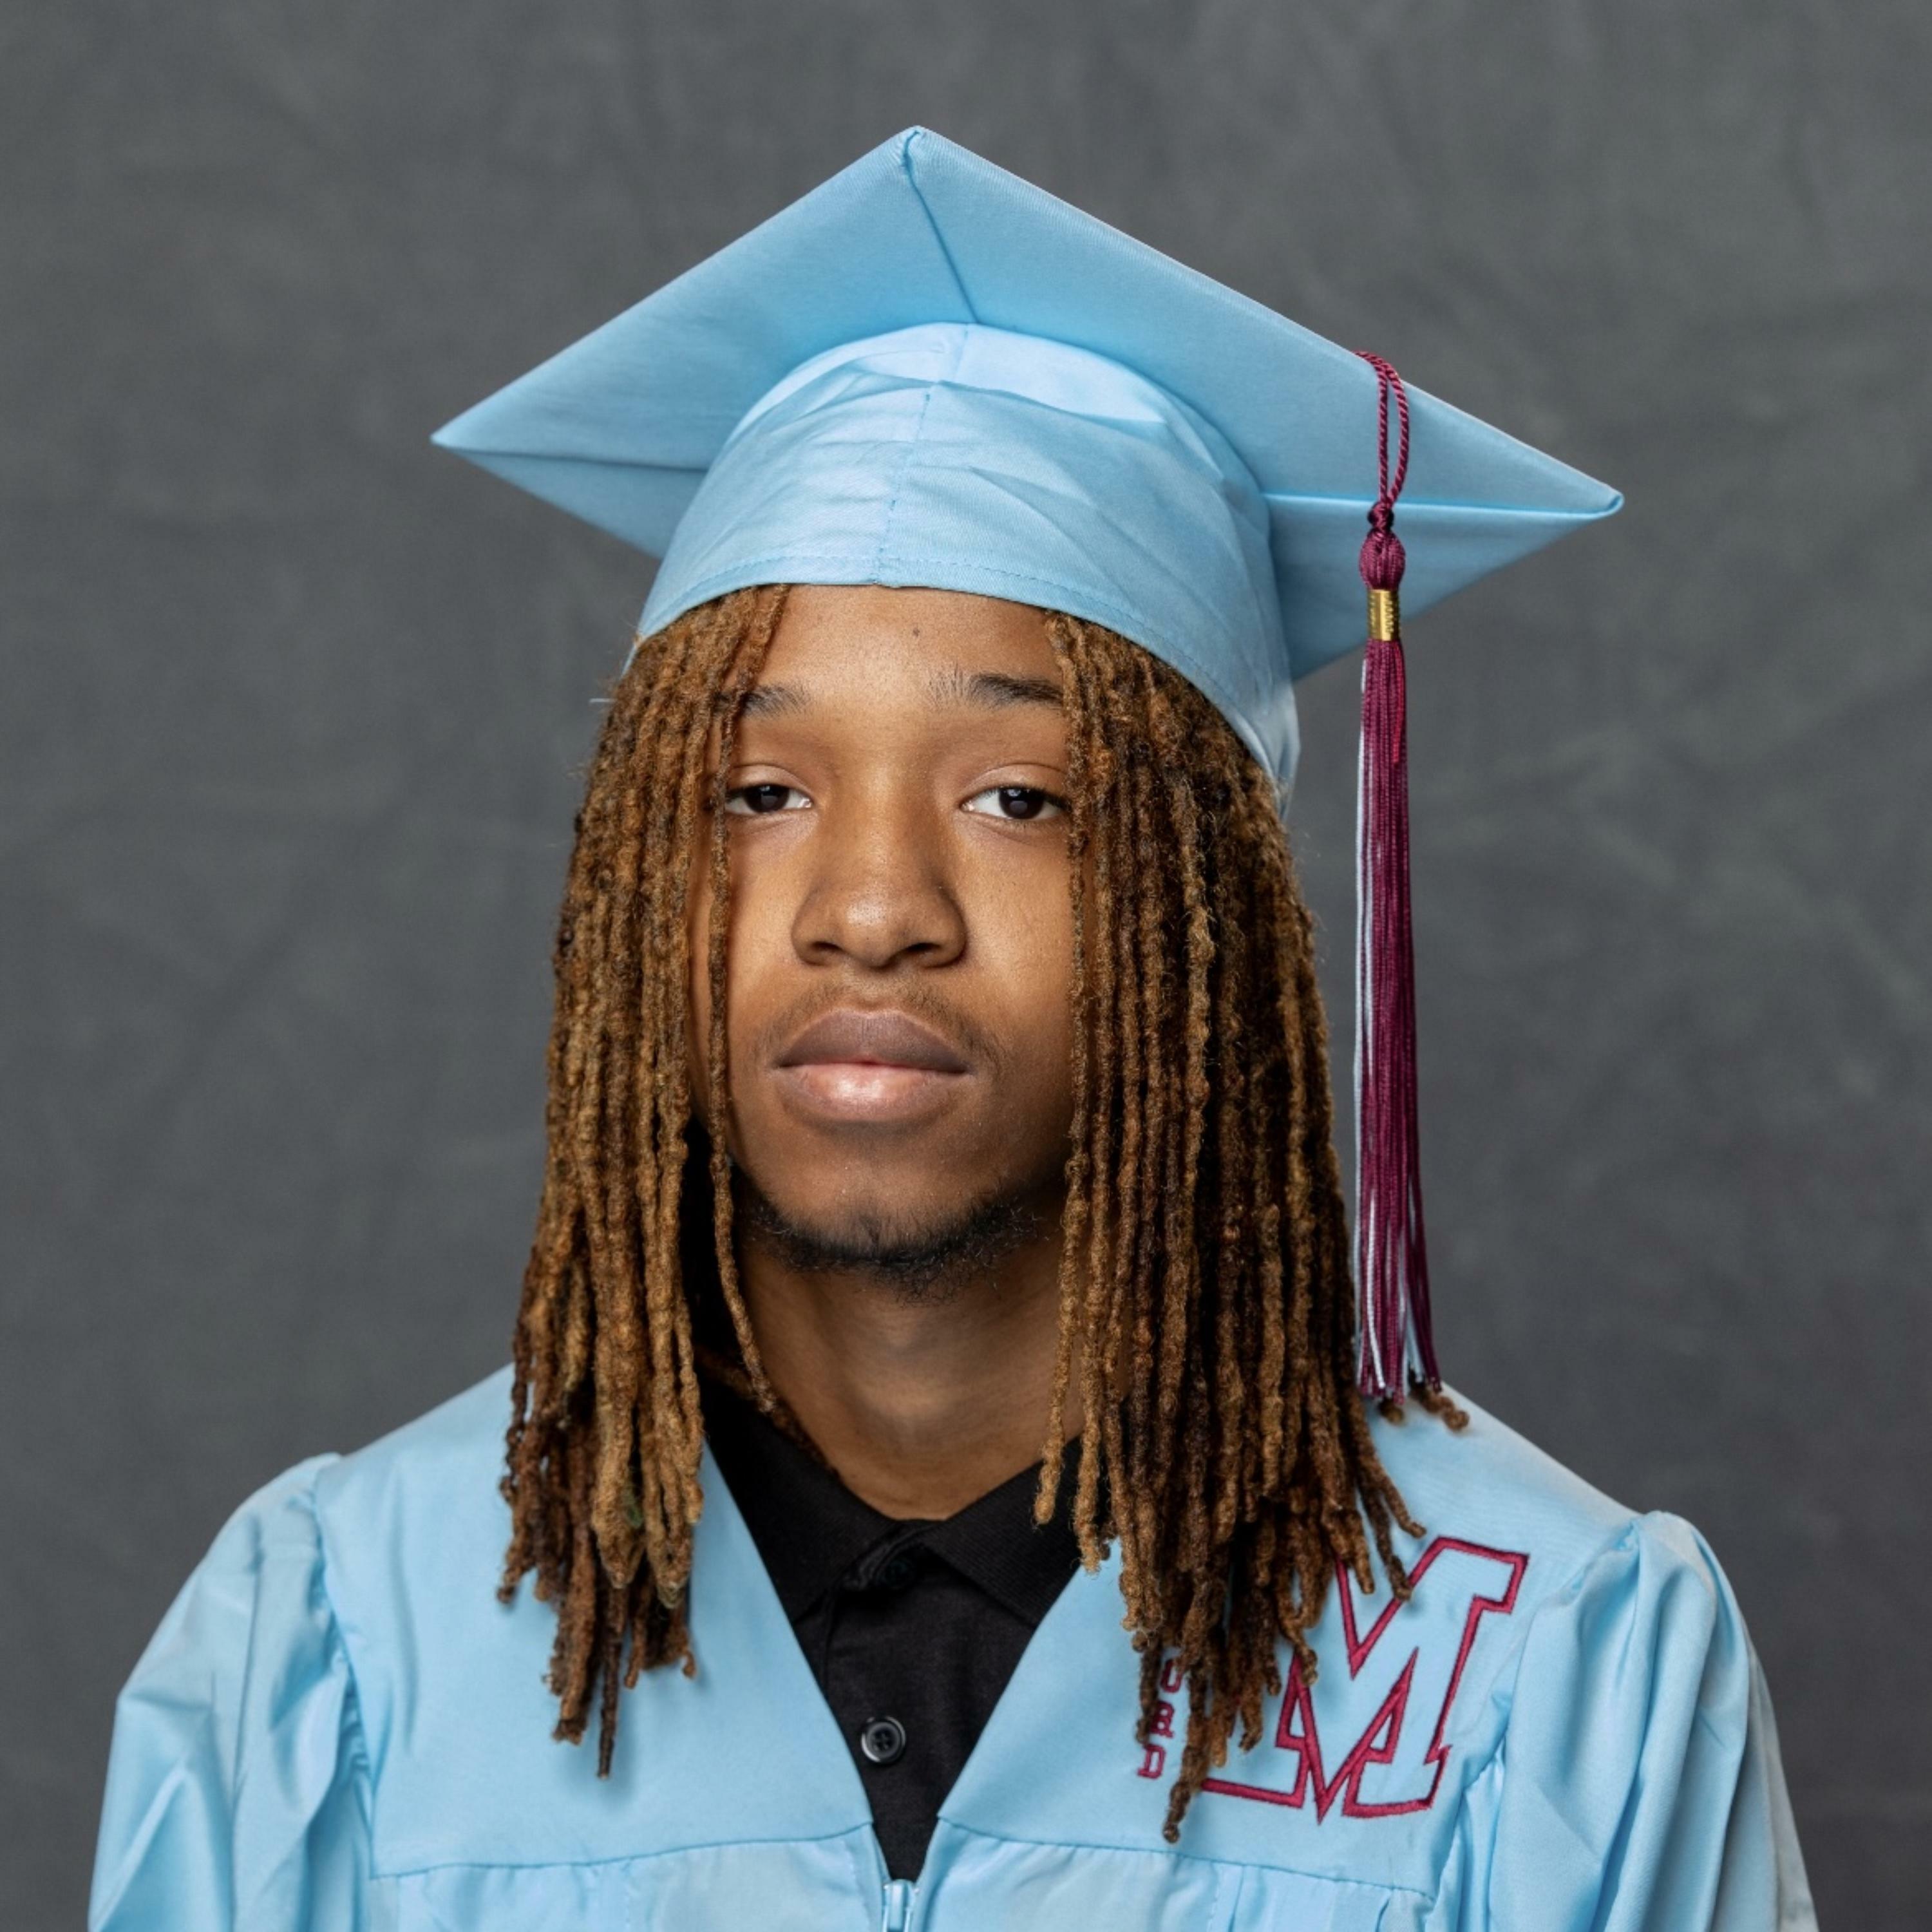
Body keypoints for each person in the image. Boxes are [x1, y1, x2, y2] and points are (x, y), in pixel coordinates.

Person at [89, 128, 1814, 1931]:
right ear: (632, 877)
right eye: (760, 790)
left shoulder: (1550, 1672)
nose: (870, 905)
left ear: (1210, 918)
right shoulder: (343, 1652)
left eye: (1019, 799)